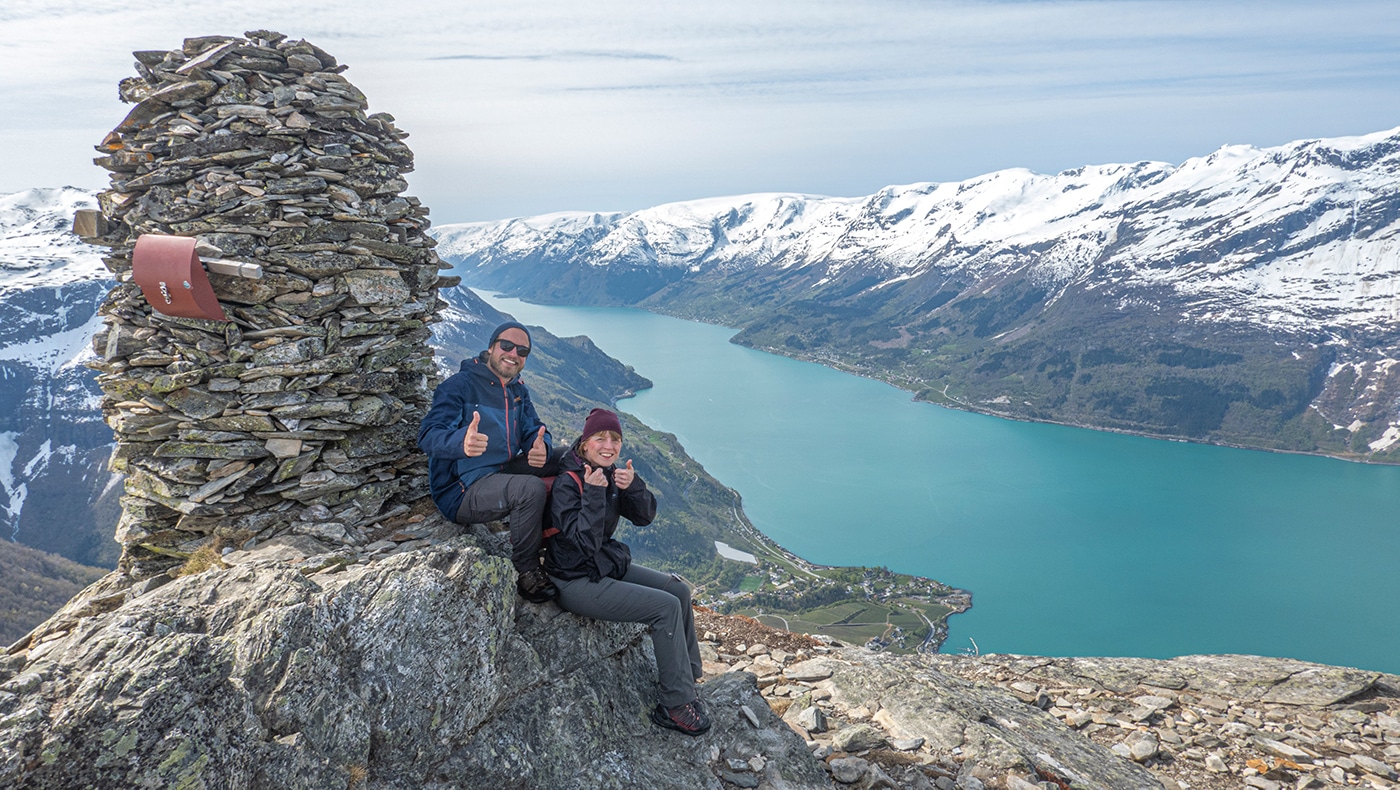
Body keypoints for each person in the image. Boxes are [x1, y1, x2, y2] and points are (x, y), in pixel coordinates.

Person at [545, 408, 710, 736]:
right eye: (600, 438)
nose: (609, 445)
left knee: (678, 590)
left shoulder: (608, 473)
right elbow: (583, 545)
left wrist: (633, 486)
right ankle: (673, 706)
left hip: (603, 565)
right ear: (585, 443)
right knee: (664, 609)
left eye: (615, 439)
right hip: (574, 579)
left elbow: (645, 517)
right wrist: (593, 494)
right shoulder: (570, 482)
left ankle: (687, 682)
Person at [418, 321, 558, 603]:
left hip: (500, 471)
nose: (513, 353)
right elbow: (428, 435)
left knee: (569, 458)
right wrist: (461, 443)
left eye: (522, 350)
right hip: (461, 489)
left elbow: (534, 429)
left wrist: (540, 445)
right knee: (529, 489)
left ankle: (566, 545)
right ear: (491, 347)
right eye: (507, 346)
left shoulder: (517, 390)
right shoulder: (459, 386)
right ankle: (527, 571)